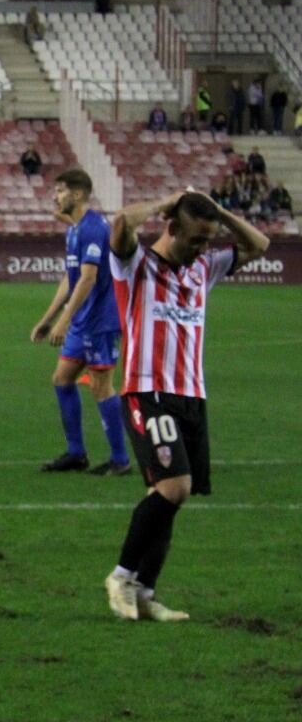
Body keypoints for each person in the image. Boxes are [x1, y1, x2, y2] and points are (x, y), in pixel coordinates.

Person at [102, 190, 269, 622]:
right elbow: (121, 224)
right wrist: (169, 201)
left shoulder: (203, 267)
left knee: (169, 498)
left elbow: (259, 246)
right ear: (171, 227)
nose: (203, 248)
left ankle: (145, 592)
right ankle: (121, 576)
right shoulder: (135, 264)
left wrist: (220, 214)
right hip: (147, 390)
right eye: (196, 238)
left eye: (207, 241)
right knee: (176, 488)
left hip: (192, 395)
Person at [30, 170, 130, 475]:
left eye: (60, 191)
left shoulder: (94, 228)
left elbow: (88, 278)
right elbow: (70, 278)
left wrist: (64, 320)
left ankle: (120, 459)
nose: (55, 197)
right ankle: (76, 453)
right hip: (81, 322)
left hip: (99, 322)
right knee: (62, 379)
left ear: (76, 194)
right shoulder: (74, 230)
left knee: (101, 387)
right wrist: (47, 320)